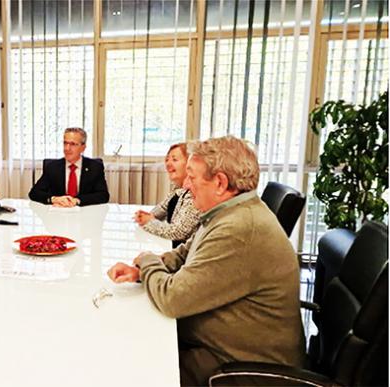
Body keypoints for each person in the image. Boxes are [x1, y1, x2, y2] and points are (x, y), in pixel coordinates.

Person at [107, 136, 305, 386]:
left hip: (242, 366)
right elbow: (185, 253)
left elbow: (172, 299)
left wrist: (147, 261)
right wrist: (140, 271)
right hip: (224, 345)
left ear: (220, 183)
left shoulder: (239, 229)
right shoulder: (228, 212)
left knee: (133, 367)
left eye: (192, 176)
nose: (186, 186)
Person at [133, 143, 200, 248]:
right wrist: (146, 216)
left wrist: (148, 222)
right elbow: (163, 208)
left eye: (174, 160)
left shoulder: (194, 192)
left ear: (190, 163)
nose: (168, 164)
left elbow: (178, 232)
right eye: (167, 159)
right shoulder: (178, 187)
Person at [28, 127, 109, 207]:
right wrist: (54, 199)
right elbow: (34, 193)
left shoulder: (95, 167)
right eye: (65, 143)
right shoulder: (52, 167)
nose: (67, 148)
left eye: (73, 144)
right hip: (57, 213)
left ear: (83, 148)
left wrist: (77, 200)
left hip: (84, 214)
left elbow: (103, 195)